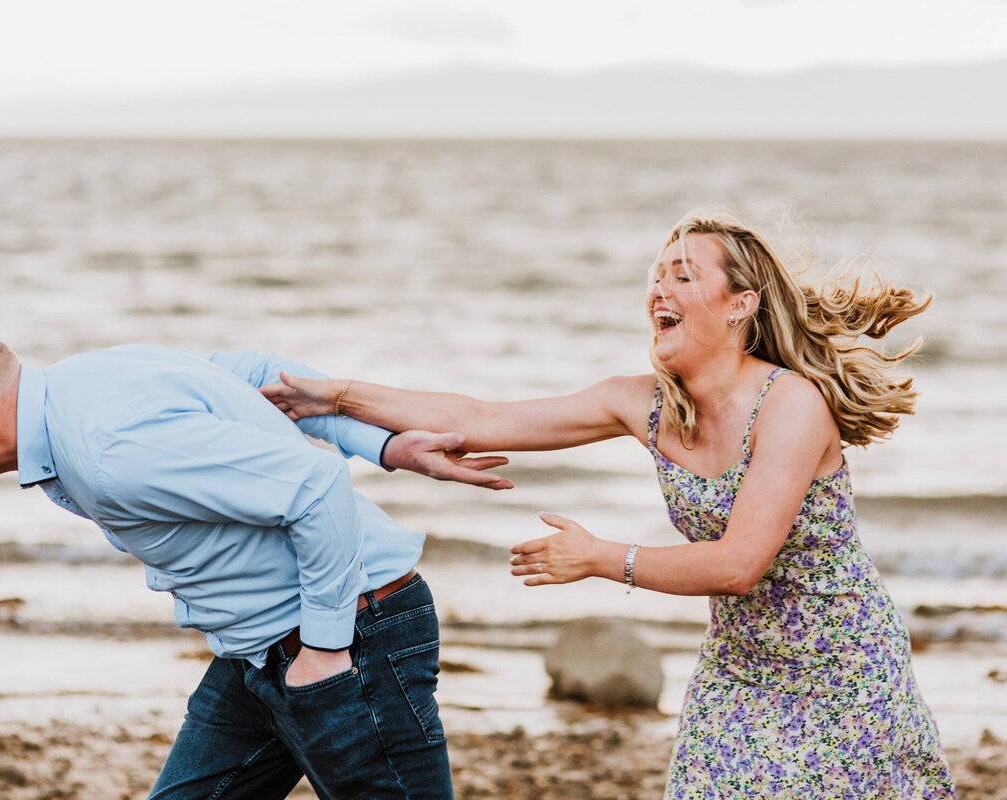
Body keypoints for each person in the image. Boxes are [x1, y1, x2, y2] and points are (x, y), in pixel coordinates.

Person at [260, 212, 956, 798]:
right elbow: (482, 415)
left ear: (740, 304)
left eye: (685, 274)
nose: (662, 285)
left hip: (845, 671)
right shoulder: (643, 404)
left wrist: (598, 558)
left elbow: (740, 564)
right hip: (741, 669)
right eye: (659, 273)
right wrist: (342, 396)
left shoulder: (791, 406)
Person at [0, 306, 514, 800]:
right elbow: (261, 377)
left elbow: (316, 492)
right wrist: (385, 444)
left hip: (352, 639)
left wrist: (324, 651)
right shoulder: (84, 381)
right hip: (254, 658)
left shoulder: (112, 450)